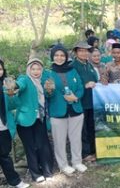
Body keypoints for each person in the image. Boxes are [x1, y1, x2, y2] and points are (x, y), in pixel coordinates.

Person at [46, 44, 87, 175]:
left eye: (62, 55)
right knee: (59, 140)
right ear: (53, 57)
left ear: (66, 56)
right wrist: (49, 91)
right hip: (58, 112)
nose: (59, 58)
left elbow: (80, 87)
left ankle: (77, 162)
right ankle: (63, 165)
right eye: (56, 55)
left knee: (76, 138)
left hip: (75, 109)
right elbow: (47, 94)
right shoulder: (48, 73)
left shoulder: (72, 70)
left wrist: (76, 97)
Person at [12, 58, 54, 182]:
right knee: (30, 147)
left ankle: (47, 171)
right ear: (28, 69)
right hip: (25, 120)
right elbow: (19, 84)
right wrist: (13, 85)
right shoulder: (24, 79)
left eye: (38, 69)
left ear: (42, 70)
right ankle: (36, 174)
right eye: (33, 69)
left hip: (40, 119)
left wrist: (49, 91)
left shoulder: (43, 81)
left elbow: (47, 97)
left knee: (43, 146)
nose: (36, 71)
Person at [0, 59, 32, 188]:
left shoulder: (7, 84)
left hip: (3, 126)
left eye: (0, 69)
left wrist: (12, 96)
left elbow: (14, 105)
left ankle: (15, 181)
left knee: (4, 155)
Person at [71, 41, 98, 163]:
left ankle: (93, 150)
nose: (84, 53)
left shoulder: (89, 65)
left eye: (86, 50)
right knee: (83, 129)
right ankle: (85, 153)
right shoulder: (73, 66)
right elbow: (71, 84)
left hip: (92, 101)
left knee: (91, 126)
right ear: (76, 52)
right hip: (80, 102)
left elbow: (95, 80)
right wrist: (85, 85)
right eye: (80, 50)